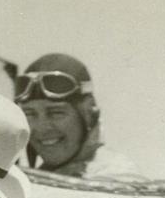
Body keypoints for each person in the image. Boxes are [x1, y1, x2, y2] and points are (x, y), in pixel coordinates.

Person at [15, 52, 144, 182]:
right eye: (29, 114)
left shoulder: (114, 177)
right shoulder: (37, 177)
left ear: (88, 113)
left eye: (56, 112)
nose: (41, 127)